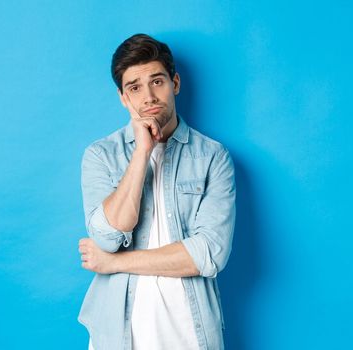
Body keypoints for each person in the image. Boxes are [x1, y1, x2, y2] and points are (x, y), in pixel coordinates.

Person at [77, 33, 236, 350]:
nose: (148, 96)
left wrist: (114, 263)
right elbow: (107, 238)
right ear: (123, 98)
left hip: (193, 335)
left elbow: (209, 255)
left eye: (157, 81)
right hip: (118, 337)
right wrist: (141, 153)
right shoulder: (101, 155)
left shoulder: (213, 157)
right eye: (134, 87)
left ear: (175, 83)